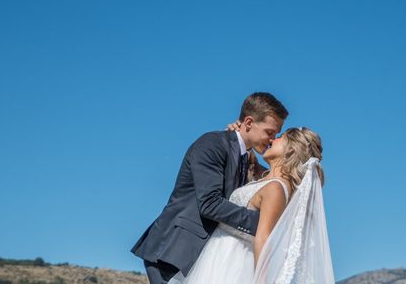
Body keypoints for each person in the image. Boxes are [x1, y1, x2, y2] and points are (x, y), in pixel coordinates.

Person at [130, 92, 288, 284]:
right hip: (174, 253)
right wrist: (263, 223)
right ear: (248, 122)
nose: (272, 139)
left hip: (204, 259)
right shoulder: (212, 144)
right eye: (269, 132)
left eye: (276, 134)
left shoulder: (246, 158)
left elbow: (272, 180)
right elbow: (210, 203)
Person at [168, 126, 334, 284]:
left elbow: (264, 238)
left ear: (290, 149)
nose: (272, 139)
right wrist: (240, 134)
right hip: (218, 254)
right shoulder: (266, 180)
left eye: (280, 138)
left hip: (234, 263)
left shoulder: (276, 188)